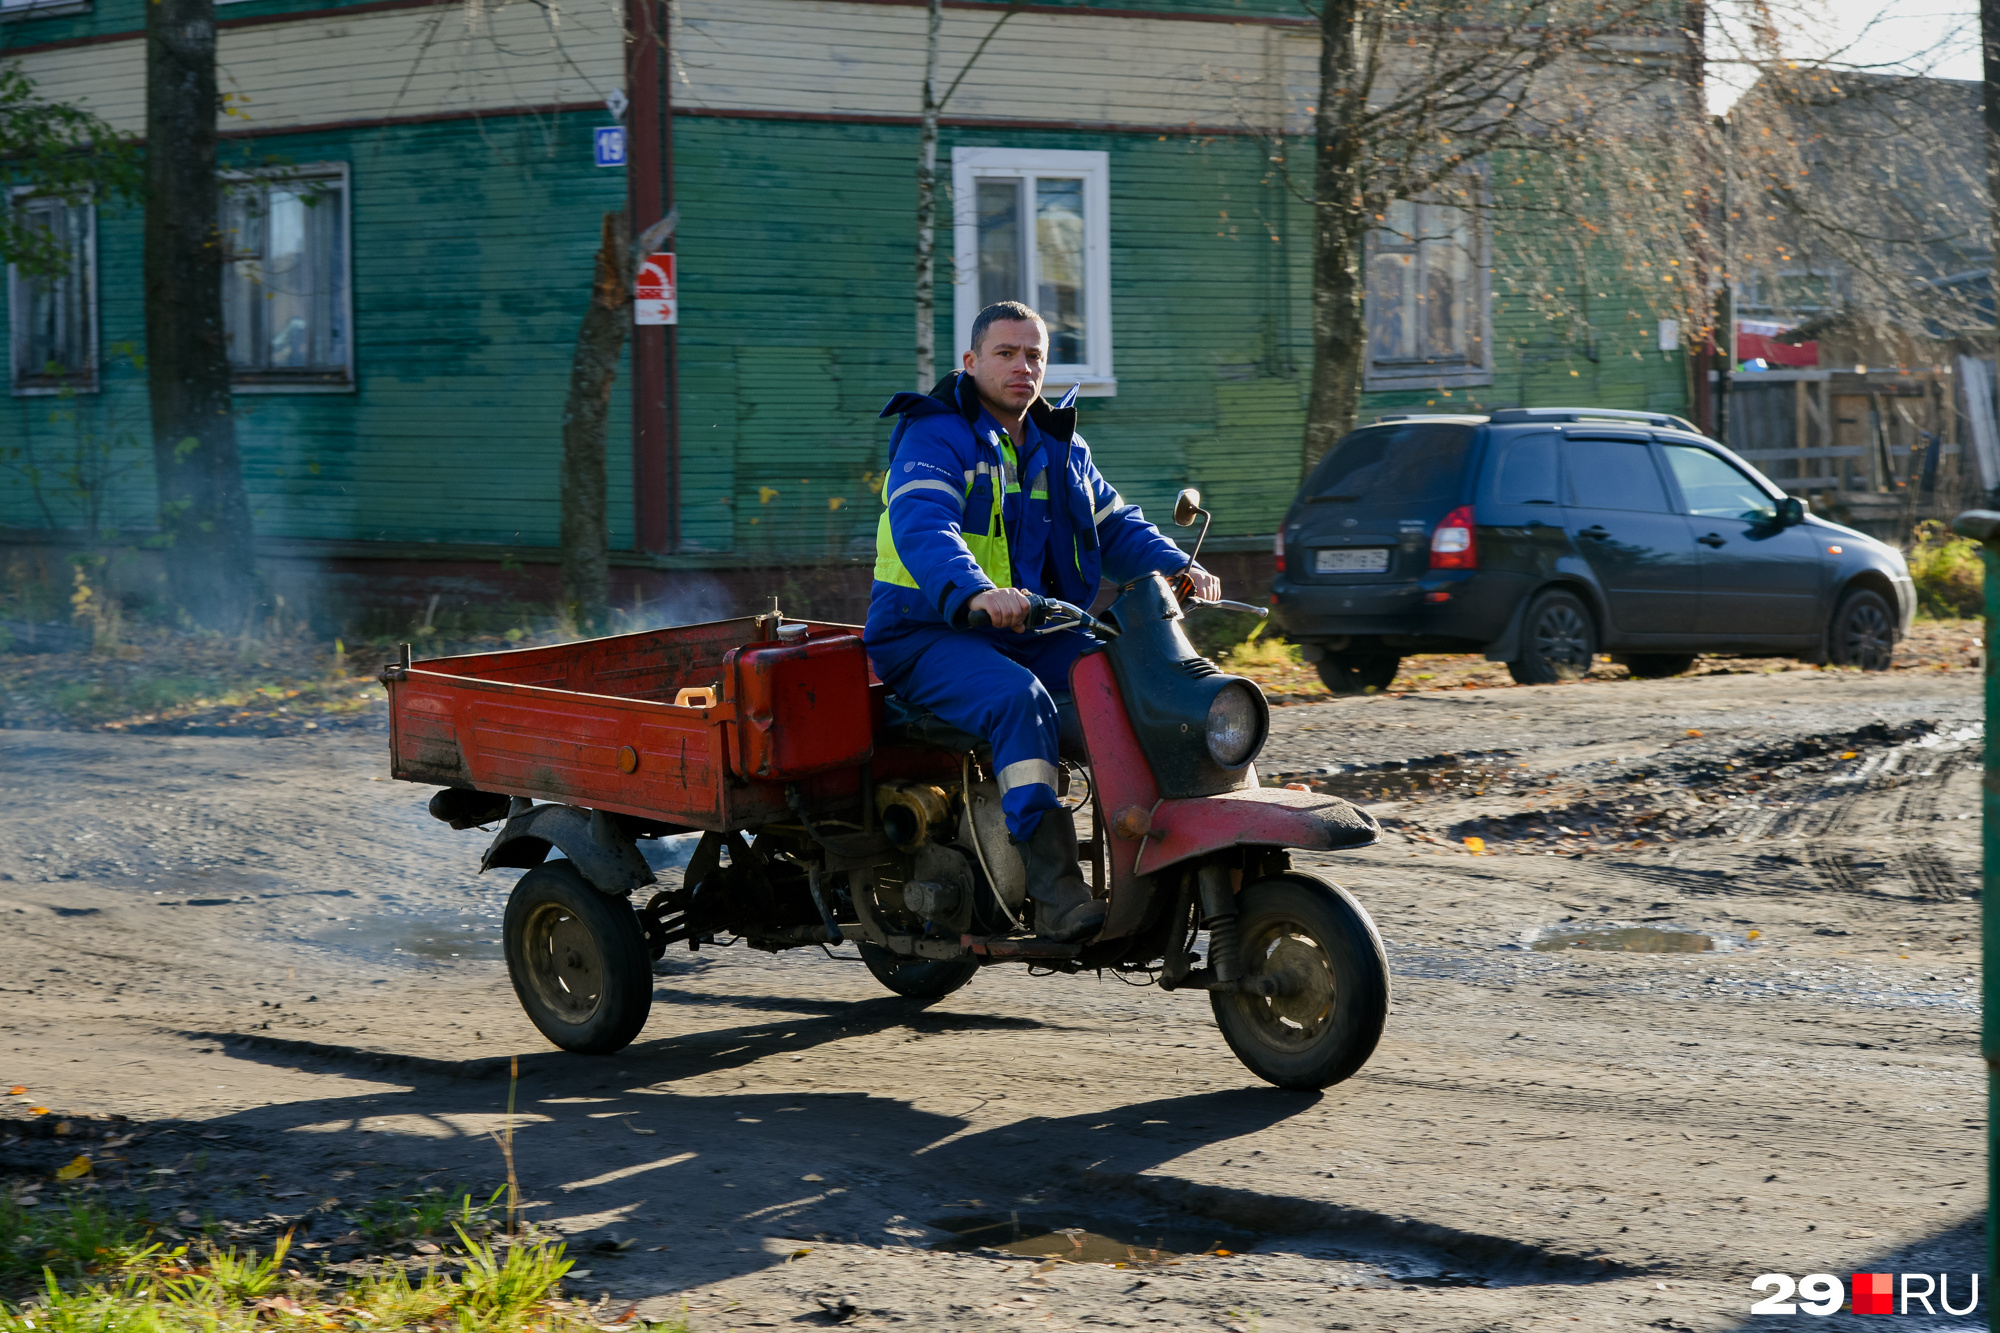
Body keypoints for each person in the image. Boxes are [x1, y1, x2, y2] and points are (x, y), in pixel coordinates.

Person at [864, 301, 1220, 942]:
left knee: (1127, 683)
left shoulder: (1060, 446)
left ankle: (1163, 855)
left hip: (1029, 628)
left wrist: (1177, 567)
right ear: (970, 363)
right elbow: (925, 526)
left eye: (1034, 356)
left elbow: (1116, 526)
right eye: (1005, 353)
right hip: (928, 633)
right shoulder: (934, 435)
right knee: (1020, 702)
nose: (1022, 367)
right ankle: (1054, 888)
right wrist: (975, 591)